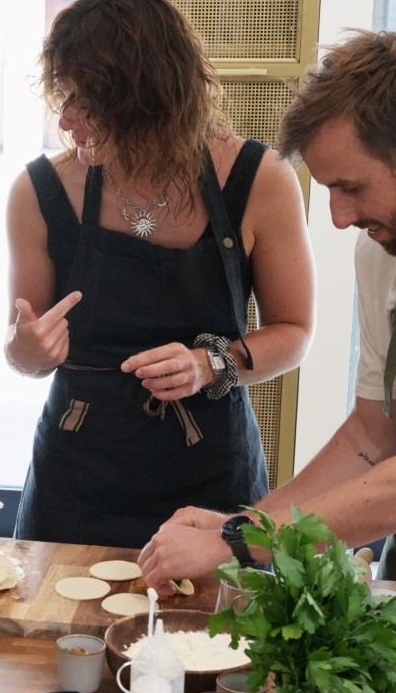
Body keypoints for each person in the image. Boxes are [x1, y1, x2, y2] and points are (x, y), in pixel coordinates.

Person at [5, 0, 314, 549]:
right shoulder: (40, 190)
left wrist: (209, 365)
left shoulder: (259, 180)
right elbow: (20, 350)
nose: (68, 121)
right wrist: (29, 349)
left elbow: (294, 333)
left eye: (86, 102)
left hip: (211, 473)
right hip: (77, 476)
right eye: (64, 97)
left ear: (149, 100)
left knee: (211, 635)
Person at [140, 29, 396, 589]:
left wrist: (239, 541)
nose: (338, 216)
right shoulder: (379, 258)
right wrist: (244, 522)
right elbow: (371, 438)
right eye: (329, 190)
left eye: (352, 187)